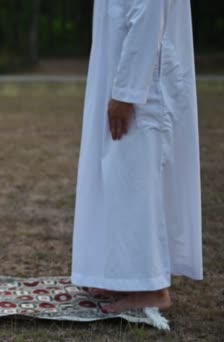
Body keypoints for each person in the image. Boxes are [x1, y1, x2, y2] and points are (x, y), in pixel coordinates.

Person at [71, 0, 203, 313]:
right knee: (115, 176)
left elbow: (149, 11)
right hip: (119, 65)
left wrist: (127, 91)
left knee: (136, 178)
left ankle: (152, 287)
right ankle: (121, 276)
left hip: (143, 81)